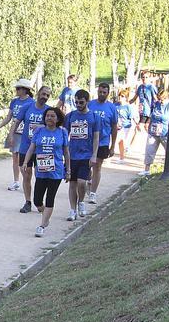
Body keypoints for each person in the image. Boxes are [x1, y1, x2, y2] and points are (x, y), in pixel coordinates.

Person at [23, 107, 69, 237]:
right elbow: (32, 147)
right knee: (37, 200)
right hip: (41, 170)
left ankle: (42, 225)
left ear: (58, 118)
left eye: (52, 116)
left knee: (50, 197)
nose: (49, 118)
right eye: (47, 115)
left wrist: (68, 170)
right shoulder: (39, 131)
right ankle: (46, 215)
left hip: (56, 170)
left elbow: (66, 152)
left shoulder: (62, 132)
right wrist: (26, 162)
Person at [63, 90, 99, 222]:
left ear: (87, 101)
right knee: (72, 184)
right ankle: (72, 210)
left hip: (86, 155)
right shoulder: (70, 116)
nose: (78, 104)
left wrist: (94, 155)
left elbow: (96, 137)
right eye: (76, 102)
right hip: (72, 155)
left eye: (81, 102)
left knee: (82, 182)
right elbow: (64, 135)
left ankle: (81, 201)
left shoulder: (94, 117)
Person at [18, 85, 55, 213]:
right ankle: (27, 202)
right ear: (38, 93)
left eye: (47, 95)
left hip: (42, 149)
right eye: (43, 94)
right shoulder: (27, 107)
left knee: (42, 177)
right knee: (26, 175)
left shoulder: (49, 111)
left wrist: (40, 126)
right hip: (25, 147)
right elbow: (16, 122)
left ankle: (39, 201)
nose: (44, 97)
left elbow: (54, 127)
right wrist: (11, 136)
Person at [0, 79, 35, 195]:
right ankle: (16, 181)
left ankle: (26, 181)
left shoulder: (31, 102)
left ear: (25, 90)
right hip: (15, 132)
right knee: (15, 157)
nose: (16, 90)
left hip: (25, 133)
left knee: (23, 157)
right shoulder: (14, 102)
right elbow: (9, 117)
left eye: (18, 88)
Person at [86, 82, 118, 205]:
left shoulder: (111, 108)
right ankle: (89, 181)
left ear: (108, 93)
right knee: (87, 166)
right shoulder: (90, 104)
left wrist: (113, 146)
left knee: (97, 166)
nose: (102, 94)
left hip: (103, 141)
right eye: (100, 92)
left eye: (104, 92)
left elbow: (114, 127)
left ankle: (93, 193)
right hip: (88, 141)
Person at [143, 84, 169, 176]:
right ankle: (146, 169)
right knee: (149, 150)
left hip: (165, 132)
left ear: (166, 98)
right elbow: (152, 114)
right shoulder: (156, 104)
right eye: (159, 99)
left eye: (162, 99)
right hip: (153, 131)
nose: (160, 101)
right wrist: (147, 122)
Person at [112, 87, 135, 162]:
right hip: (116, 126)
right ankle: (122, 158)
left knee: (117, 140)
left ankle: (109, 155)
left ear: (126, 98)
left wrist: (136, 125)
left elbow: (131, 117)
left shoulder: (128, 107)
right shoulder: (115, 105)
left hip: (125, 126)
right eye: (119, 95)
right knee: (120, 142)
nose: (120, 97)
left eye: (122, 96)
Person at [135, 71, 156, 142]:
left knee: (145, 126)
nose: (144, 79)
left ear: (149, 78)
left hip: (150, 110)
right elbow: (135, 97)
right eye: (143, 77)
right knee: (141, 127)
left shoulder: (151, 87)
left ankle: (154, 140)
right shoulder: (140, 87)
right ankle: (153, 138)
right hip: (142, 111)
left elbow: (155, 98)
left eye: (146, 77)